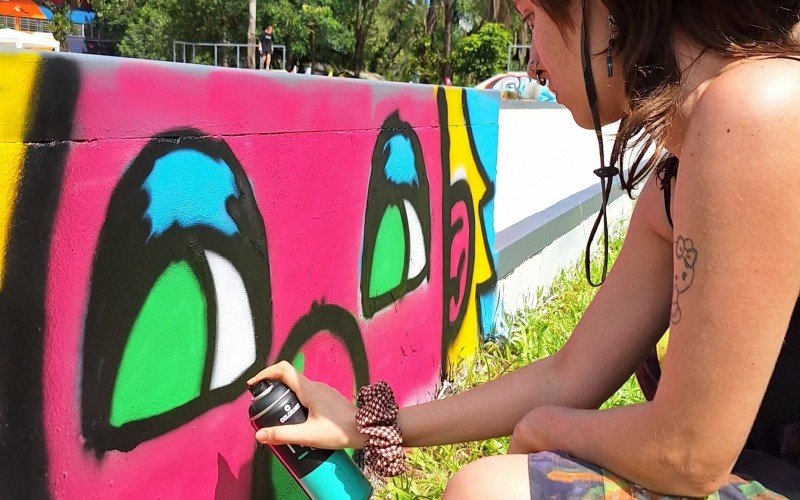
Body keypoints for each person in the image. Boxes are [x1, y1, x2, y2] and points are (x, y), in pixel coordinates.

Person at [248, 0, 800, 497]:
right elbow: (568, 374)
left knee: (487, 492)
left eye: (533, 21)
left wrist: (547, 428)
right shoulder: (678, 177)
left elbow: (687, 452)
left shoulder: (760, 106)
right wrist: (369, 424)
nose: (532, 64)